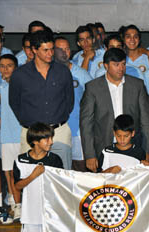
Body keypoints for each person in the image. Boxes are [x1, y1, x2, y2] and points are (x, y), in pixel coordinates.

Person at [80, 48, 149, 172]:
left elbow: (146, 121)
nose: (121, 68)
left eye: (123, 64)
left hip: (133, 149)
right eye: (116, 64)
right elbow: (86, 123)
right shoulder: (93, 88)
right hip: (104, 148)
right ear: (106, 66)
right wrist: (89, 154)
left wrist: (147, 151)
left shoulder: (137, 85)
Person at [9, 30, 74, 170]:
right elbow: (14, 102)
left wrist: (59, 117)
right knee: (29, 177)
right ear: (34, 50)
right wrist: (27, 122)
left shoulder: (63, 71)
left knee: (63, 178)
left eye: (52, 49)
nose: (50, 53)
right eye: (45, 50)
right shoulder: (20, 75)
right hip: (31, 134)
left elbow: (69, 101)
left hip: (59, 132)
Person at [13, 123, 63, 232]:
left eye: (51, 138)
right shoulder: (21, 160)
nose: (51, 142)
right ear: (35, 141)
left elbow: (61, 185)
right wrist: (33, 176)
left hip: (51, 214)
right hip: (30, 215)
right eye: (47, 139)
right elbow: (17, 186)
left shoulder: (55, 159)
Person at [54, 36, 92, 171]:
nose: (65, 52)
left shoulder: (81, 73)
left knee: (80, 167)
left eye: (67, 49)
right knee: (59, 168)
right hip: (56, 130)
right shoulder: (47, 72)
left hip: (77, 130)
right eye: (60, 49)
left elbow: (92, 99)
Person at [0, 54, 22, 220]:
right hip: (6, 136)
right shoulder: (0, 87)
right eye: (1, 66)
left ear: (16, 68)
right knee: (8, 174)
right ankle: (15, 205)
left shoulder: (23, 86)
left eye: (9, 66)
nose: (5, 69)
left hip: (22, 135)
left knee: (21, 173)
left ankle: (22, 205)